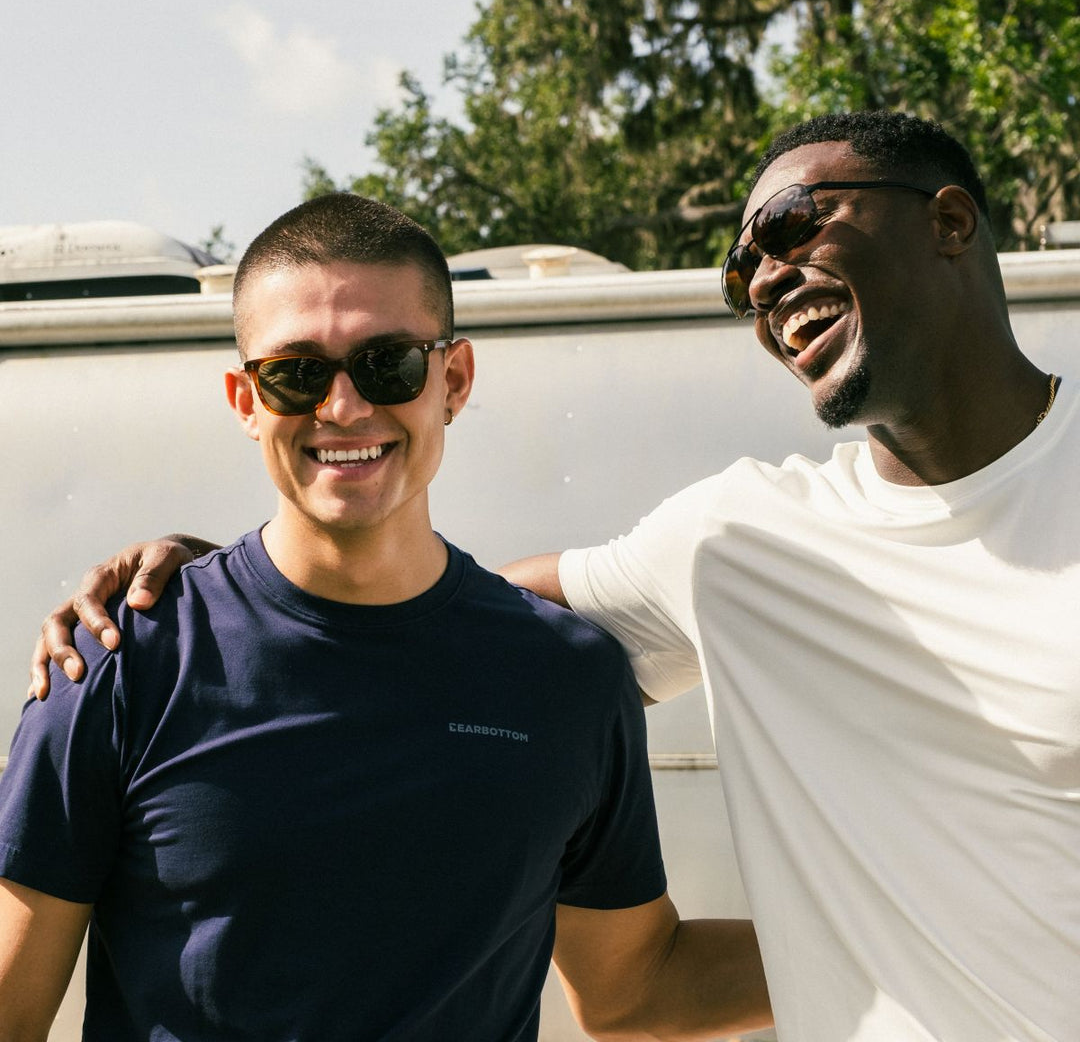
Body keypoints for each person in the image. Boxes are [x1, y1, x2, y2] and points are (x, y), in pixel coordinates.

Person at [28, 109, 1079, 1040]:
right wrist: (229, 585)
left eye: (796, 222)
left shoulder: (650, 611)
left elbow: (477, 634)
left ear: (949, 222)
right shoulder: (744, 537)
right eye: (297, 376)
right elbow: (435, 617)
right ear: (247, 397)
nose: (763, 275)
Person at [1, 194, 771, 1041]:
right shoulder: (121, 658)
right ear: (244, 399)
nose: (342, 407)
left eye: (388, 364)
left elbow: (635, 988)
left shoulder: (567, 676)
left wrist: (907, 930)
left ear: (455, 381)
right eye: (295, 372)